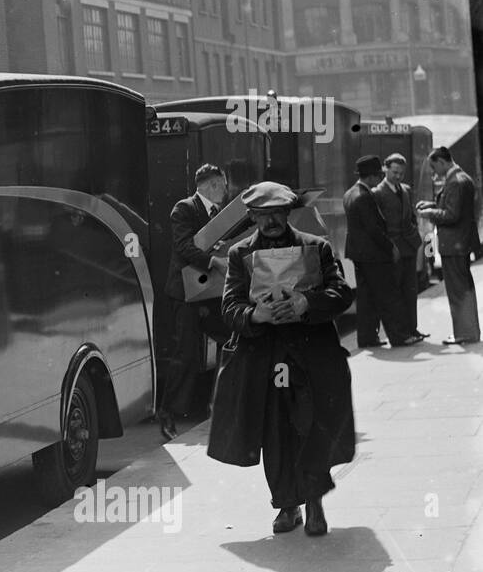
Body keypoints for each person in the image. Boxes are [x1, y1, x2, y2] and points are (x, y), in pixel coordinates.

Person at [208, 182, 356, 537]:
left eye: (277, 213)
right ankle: (287, 506)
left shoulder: (315, 247)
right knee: (275, 431)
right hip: (266, 358)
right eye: (262, 214)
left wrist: (308, 303)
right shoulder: (239, 255)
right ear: (253, 216)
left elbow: (341, 292)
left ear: (288, 213)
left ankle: (314, 502)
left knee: (310, 425)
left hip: (311, 358)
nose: (271, 221)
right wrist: (256, 316)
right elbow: (229, 308)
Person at [159, 163, 230, 441]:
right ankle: (167, 413)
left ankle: (219, 403)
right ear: (212, 185)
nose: (225, 191)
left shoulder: (219, 214)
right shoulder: (184, 209)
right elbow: (184, 247)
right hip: (186, 295)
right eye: (223, 186)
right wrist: (214, 261)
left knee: (232, 338)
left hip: (209, 293)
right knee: (186, 355)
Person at [343, 154, 416, 347]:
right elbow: (373, 229)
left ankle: (367, 338)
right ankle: (399, 336)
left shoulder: (350, 193)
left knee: (365, 298)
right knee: (388, 296)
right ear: (371, 176)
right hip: (373, 255)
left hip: (358, 254)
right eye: (377, 175)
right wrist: (390, 246)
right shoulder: (364, 197)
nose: (378, 179)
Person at [417, 146, 481, 346]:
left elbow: (452, 215)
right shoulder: (461, 179)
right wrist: (433, 206)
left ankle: (464, 333)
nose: (435, 172)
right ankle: (468, 332)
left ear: (442, 161)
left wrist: (429, 214)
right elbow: (453, 209)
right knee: (463, 288)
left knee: (457, 290)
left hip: (454, 244)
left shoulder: (455, 182)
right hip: (459, 243)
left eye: (434, 167)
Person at [373, 152, 427, 342]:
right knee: (395, 294)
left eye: (401, 173)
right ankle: (401, 333)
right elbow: (378, 225)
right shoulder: (377, 193)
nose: (398, 176)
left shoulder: (405, 190)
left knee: (410, 292)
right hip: (393, 250)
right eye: (395, 172)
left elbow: (411, 215)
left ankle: (412, 329)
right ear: (385, 169)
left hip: (409, 247)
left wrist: (414, 236)